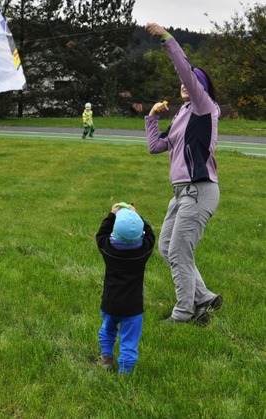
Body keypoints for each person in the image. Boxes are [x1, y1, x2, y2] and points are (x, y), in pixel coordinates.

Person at [144, 22, 223, 324]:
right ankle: (205, 297)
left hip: (199, 191)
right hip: (180, 193)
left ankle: (184, 312)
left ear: (199, 87)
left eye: (190, 81)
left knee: (179, 251)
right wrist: (152, 117)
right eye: (183, 82)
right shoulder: (182, 115)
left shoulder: (205, 107)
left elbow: (186, 71)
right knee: (167, 247)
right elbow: (156, 146)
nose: (184, 84)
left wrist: (167, 38)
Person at [96, 202, 155, 374]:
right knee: (129, 340)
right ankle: (125, 372)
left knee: (107, 330)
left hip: (110, 303)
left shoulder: (108, 249)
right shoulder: (143, 252)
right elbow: (151, 235)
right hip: (133, 307)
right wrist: (137, 216)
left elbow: (101, 234)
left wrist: (112, 215)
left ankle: (106, 358)